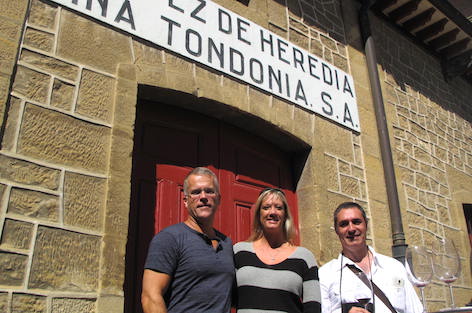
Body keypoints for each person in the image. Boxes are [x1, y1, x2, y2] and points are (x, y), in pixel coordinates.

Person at [141, 167, 234, 313]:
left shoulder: (227, 243)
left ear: (218, 199)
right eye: (196, 192)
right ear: (185, 201)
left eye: (209, 191)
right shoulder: (169, 238)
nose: (203, 196)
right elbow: (151, 296)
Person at [319, 202, 423, 313]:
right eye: (344, 224)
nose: (351, 228)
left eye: (356, 222)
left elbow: (415, 309)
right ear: (336, 230)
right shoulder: (325, 274)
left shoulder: (394, 267)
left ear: (366, 225)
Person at [233, 188, 321, 313]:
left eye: (279, 208)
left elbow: (313, 307)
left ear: (285, 215)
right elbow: (224, 298)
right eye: (266, 207)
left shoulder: (304, 257)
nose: (272, 212)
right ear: (258, 214)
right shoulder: (239, 252)